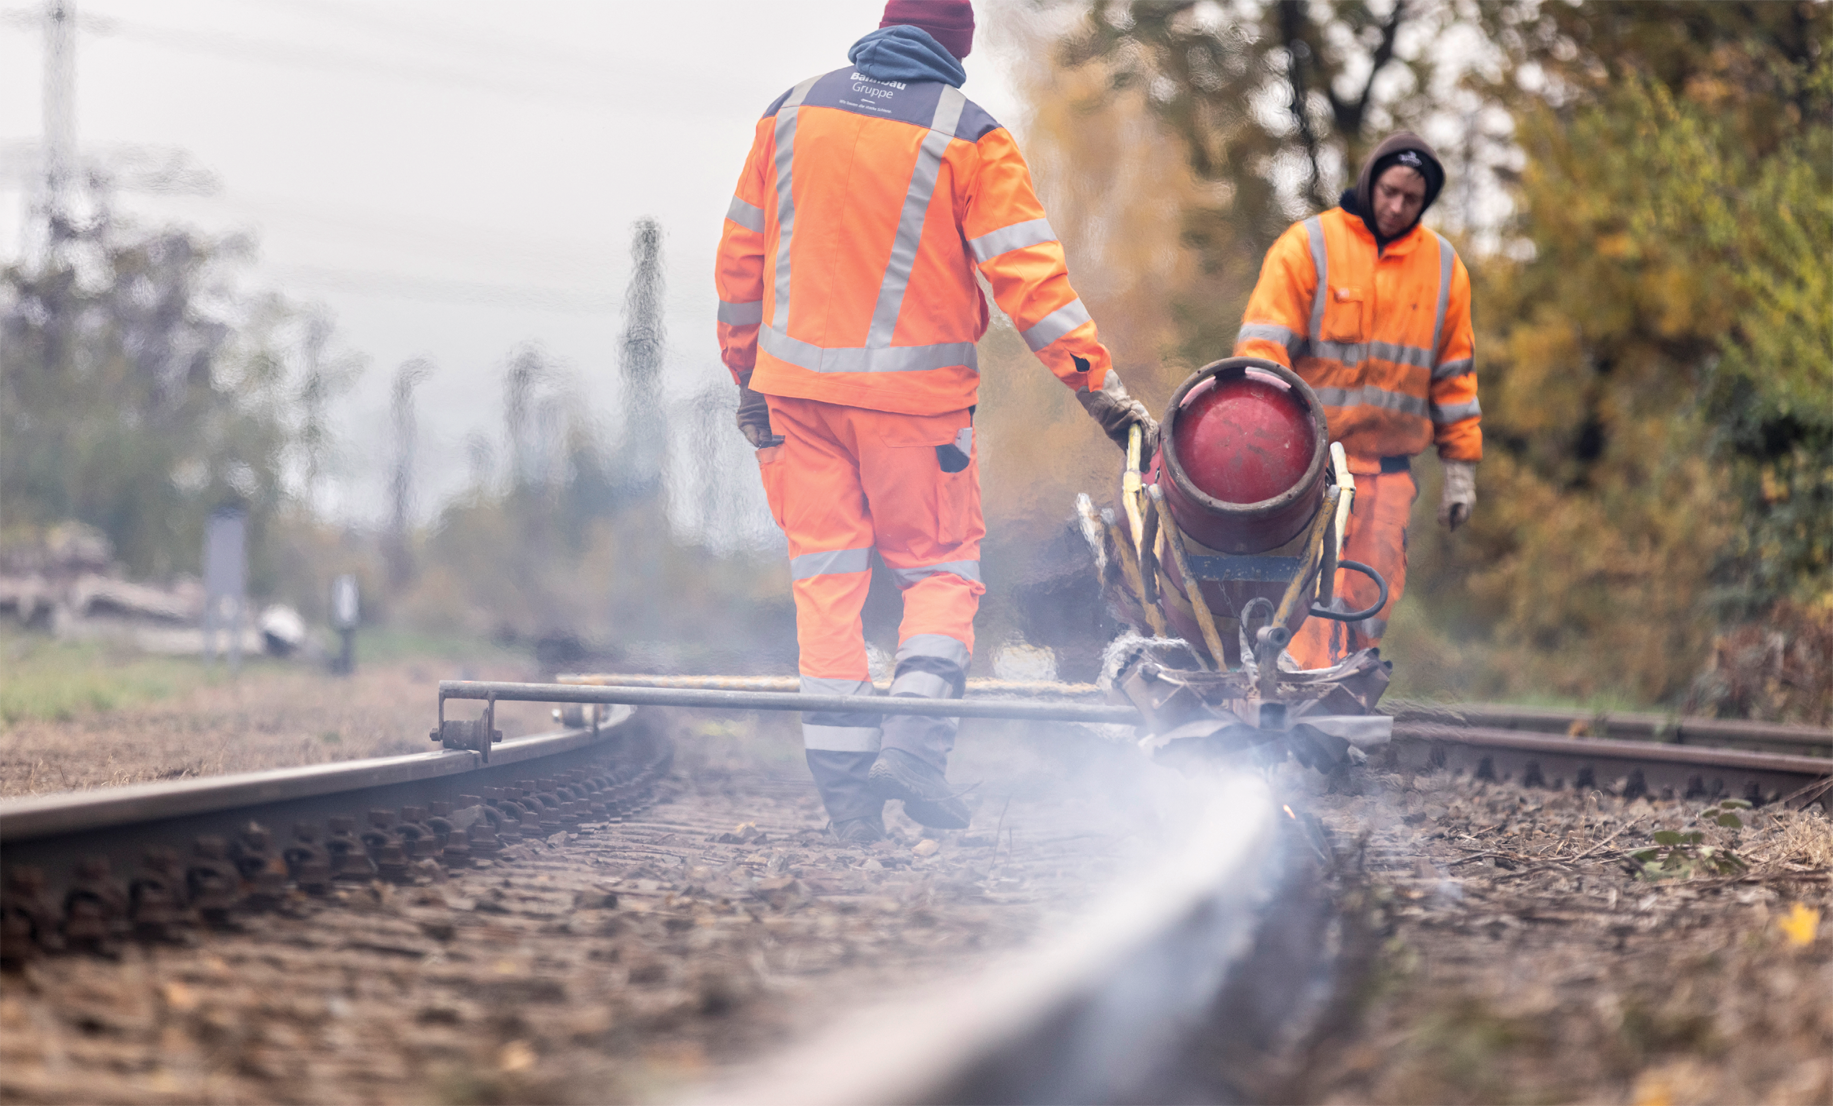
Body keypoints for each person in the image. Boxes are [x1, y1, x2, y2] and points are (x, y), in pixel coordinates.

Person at [714, 0, 1155, 843]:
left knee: (827, 586)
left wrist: (745, 373)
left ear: (885, 28)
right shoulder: (970, 137)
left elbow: (739, 261)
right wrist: (1096, 388)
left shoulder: (790, 112)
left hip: (795, 401)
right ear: (956, 48)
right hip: (914, 413)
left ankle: (845, 797)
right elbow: (1029, 281)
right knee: (941, 573)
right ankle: (912, 751)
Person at [1233, 133, 1481, 669]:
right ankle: (1293, 696)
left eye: (1411, 200)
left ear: (1426, 202)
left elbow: (1455, 378)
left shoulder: (1444, 269)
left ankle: (1341, 698)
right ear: (1370, 182)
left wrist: (1460, 468)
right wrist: (1266, 445)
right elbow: (1262, 349)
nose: (1396, 207)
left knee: (1370, 598)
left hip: (1387, 472)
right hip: (1310, 467)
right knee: (1302, 593)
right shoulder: (1309, 246)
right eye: (1389, 191)